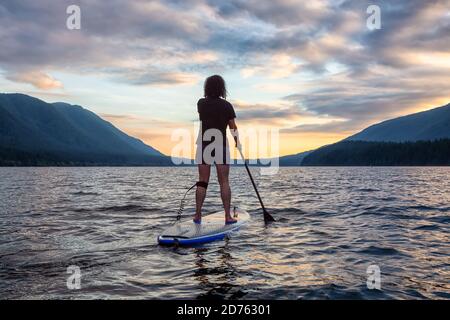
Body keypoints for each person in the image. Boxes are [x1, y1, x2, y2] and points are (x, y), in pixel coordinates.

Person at [194, 75, 239, 225]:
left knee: (202, 181)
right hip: (220, 145)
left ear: (207, 88)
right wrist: (237, 142)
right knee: (224, 181)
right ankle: (227, 216)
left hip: (204, 144)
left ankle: (198, 215)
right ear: (222, 88)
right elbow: (233, 127)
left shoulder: (201, 104)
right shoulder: (227, 106)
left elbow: (204, 116)